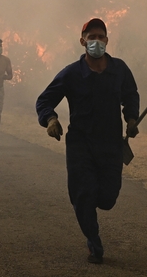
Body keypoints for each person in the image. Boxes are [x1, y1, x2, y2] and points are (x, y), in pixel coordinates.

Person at [36, 18, 139, 264]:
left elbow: (130, 95)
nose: (96, 41)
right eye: (92, 37)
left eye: (100, 37)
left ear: (107, 40)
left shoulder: (119, 69)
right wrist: (50, 119)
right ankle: (94, 244)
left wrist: (131, 118)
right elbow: (44, 100)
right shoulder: (72, 73)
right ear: (83, 41)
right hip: (80, 145)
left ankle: (95, 203)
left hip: (111, 145)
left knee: (107, 198)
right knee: (84, 195)